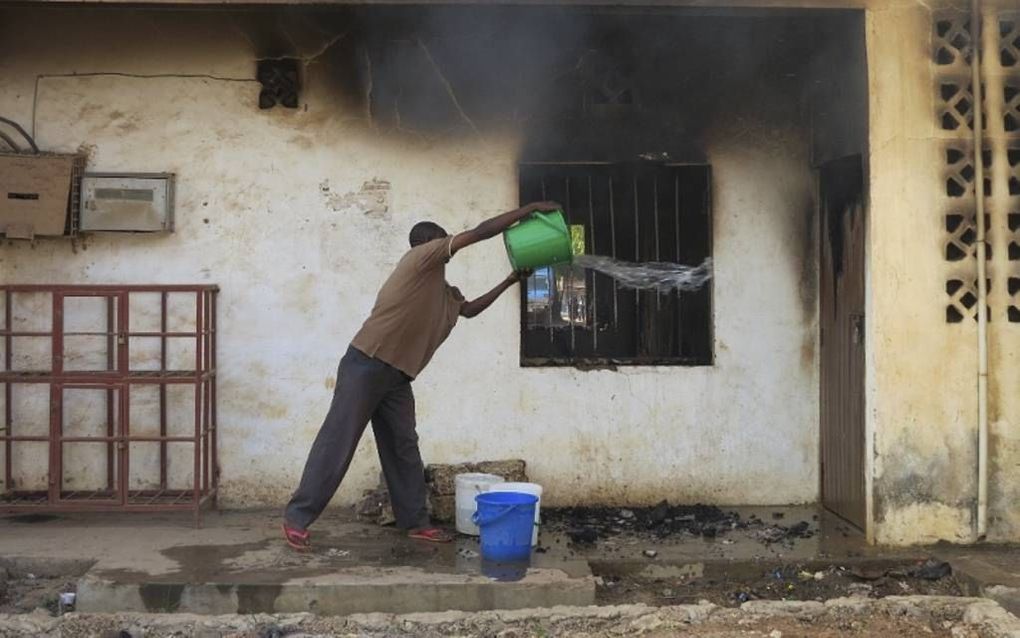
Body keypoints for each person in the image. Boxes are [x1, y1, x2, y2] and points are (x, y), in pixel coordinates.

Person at [282, 200, 562, 549]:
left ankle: (415, 521)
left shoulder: (444, 293)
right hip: (366, 362)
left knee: (403, 447)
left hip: (398, 376)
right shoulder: (419, 259)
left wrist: (509, 280)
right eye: (444, 241)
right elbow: (480, 232)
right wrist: (528, 210)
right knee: (339, 439)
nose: (449, 247)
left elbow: (470, 310)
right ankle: (297, 517)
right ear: (432, 242)